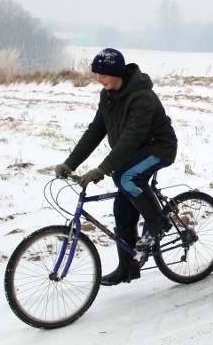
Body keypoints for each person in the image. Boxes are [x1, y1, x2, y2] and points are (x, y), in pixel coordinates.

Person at [54, 48, 178, 286]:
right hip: (133, 151)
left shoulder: (142, 97)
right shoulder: (108, 95)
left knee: (126, 177)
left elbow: (132, 136)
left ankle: (157, 222)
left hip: (158, 148)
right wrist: (70, 163)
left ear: (117, 73)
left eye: (103, 75)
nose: (99, 80)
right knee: (122, 208)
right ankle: (127, 267)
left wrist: (103, 168)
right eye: (97, 75)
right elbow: (95, 131)